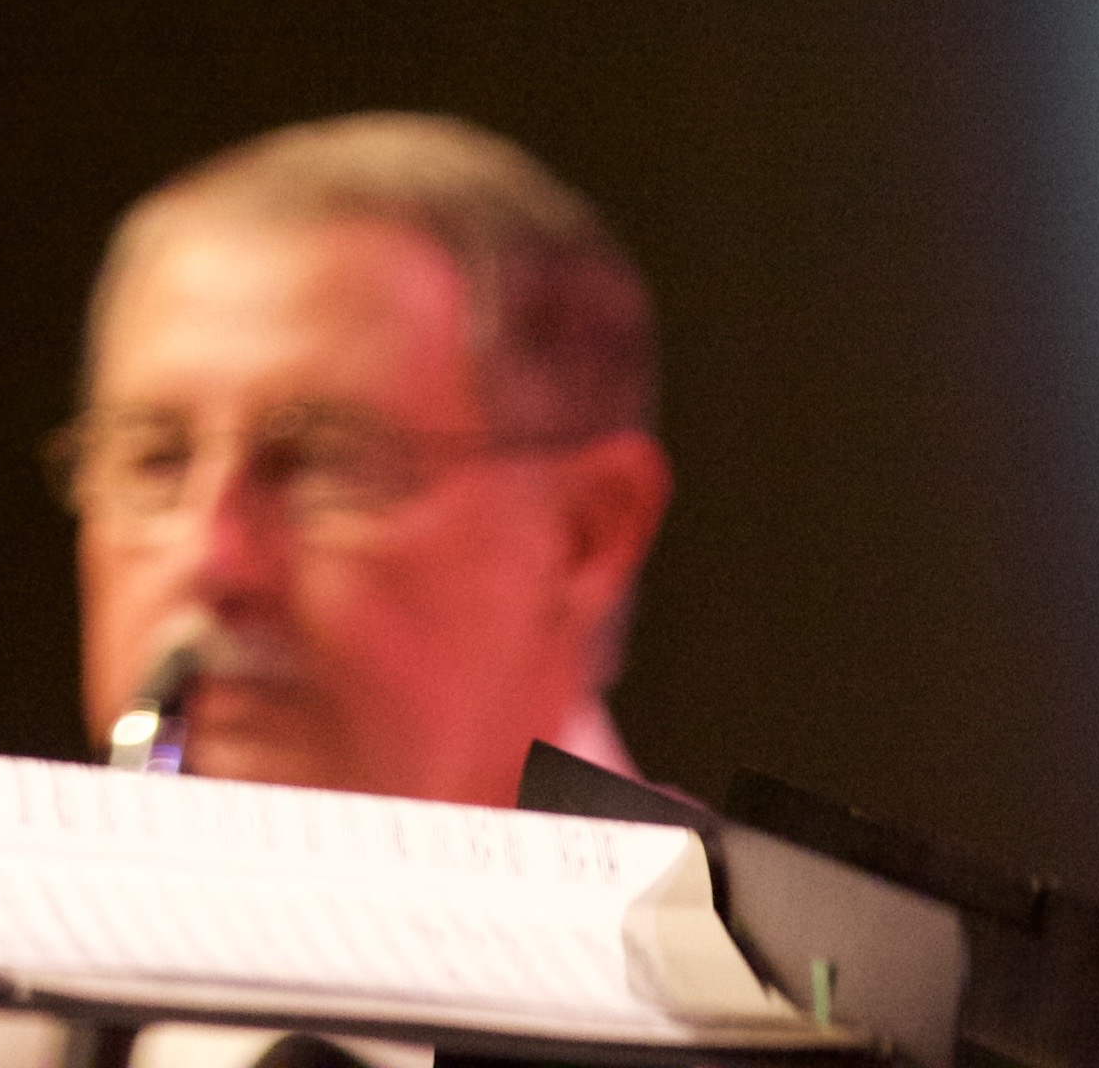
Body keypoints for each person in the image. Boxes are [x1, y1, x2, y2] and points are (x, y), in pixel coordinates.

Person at [50, 114, 674, 807]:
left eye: (325, 467)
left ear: (588, 534)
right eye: (155, 463)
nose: (214, 559)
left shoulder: (752, 919)